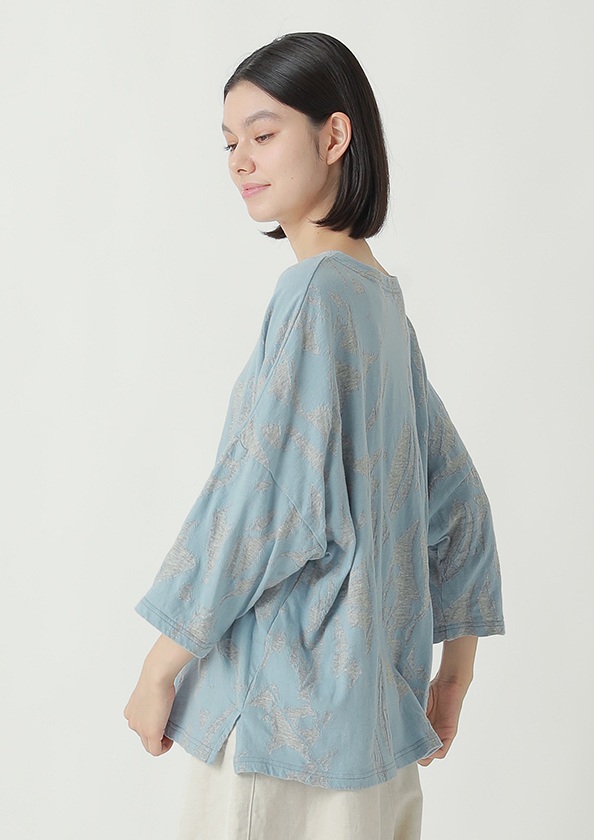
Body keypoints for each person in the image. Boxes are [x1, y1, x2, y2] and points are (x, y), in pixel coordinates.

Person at [124, 31, 506, 840]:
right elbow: (460, 499)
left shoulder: (315, 297)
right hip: (375, 729)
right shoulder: (381, 303)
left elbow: (260, 503)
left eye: (263, 134)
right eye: (229, 143)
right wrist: (453, 677)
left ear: (334, 137)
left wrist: (160, 668)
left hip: (279, 728)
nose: (240, 160)